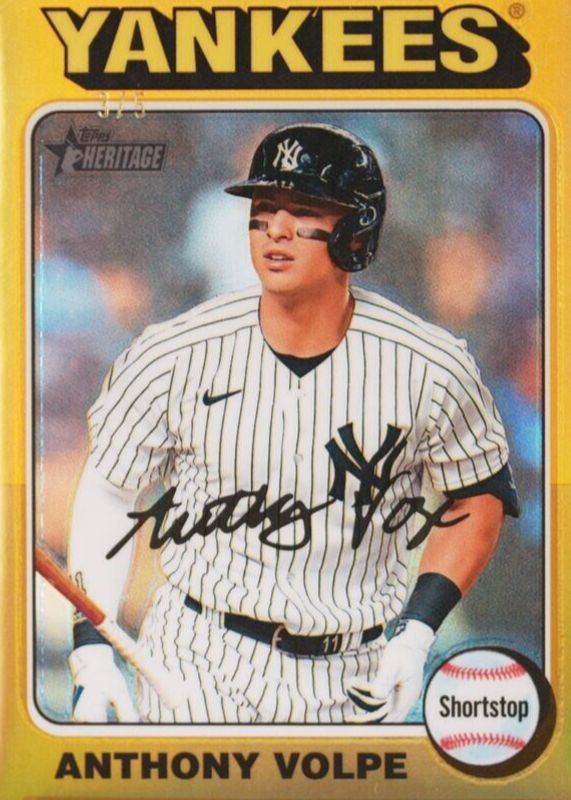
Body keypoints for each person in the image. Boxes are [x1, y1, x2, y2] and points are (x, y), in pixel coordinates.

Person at [67, 123, 519, 724]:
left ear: (357, 231)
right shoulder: (171, 351)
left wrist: (416, 632)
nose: (275, 228)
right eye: (263, 207)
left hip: (358, 667)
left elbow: (479, 495)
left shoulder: (430, 363)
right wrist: (92, 651)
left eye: (303, 209)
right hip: (199, 658)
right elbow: (109, 488)